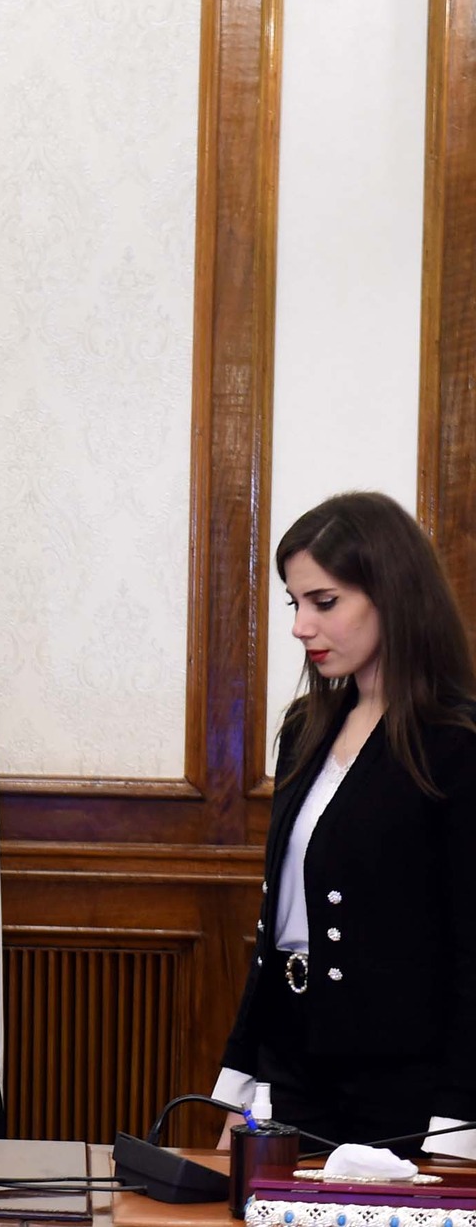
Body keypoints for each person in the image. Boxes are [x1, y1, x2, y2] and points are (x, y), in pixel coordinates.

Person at [216, 492, 476, 1156]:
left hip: (406, 1088)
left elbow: (471, 950)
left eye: (324, 602)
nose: (302, 626)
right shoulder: (306, 728)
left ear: (393, 594)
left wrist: (457, 1120)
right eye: (294, 603)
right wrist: (241, 1081)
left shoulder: (455, 742)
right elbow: (276, 927)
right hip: (293, 1064)